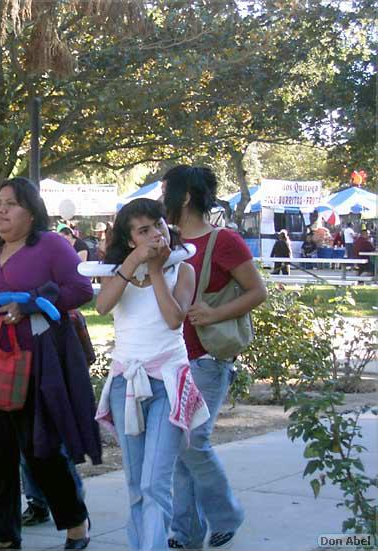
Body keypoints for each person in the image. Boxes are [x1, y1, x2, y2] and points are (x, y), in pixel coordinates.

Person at [0, 177, 97, 550]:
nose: (1, 210)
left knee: (41, 452)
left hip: (36, 365)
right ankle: (2, 536)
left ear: (32, 211)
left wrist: (31, 302)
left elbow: (82, 289)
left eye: (11, 204)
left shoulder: (51, 246)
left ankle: (75, 524)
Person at [162, 165, 266, 550]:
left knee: (192, 443)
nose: (161, 200)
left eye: (165, 192)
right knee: (179, 449)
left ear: (185, 196)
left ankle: (225, 515)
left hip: (206, 358)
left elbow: (257, 292)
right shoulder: (168, 243)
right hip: (170, 359)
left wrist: (214, 313)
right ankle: (184, 533)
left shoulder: (224, 242)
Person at [94, 198, 208, 550]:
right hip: (126, 383)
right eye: (144, 231)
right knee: (134, 484)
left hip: (168, 384)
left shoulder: (182, 269)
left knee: (154, 483)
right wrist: (134, 263)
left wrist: (157, 270)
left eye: (158, 225)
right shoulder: (119, 271)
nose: (156, 234)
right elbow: (101, 306)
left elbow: (175, 319)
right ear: (130, 240)